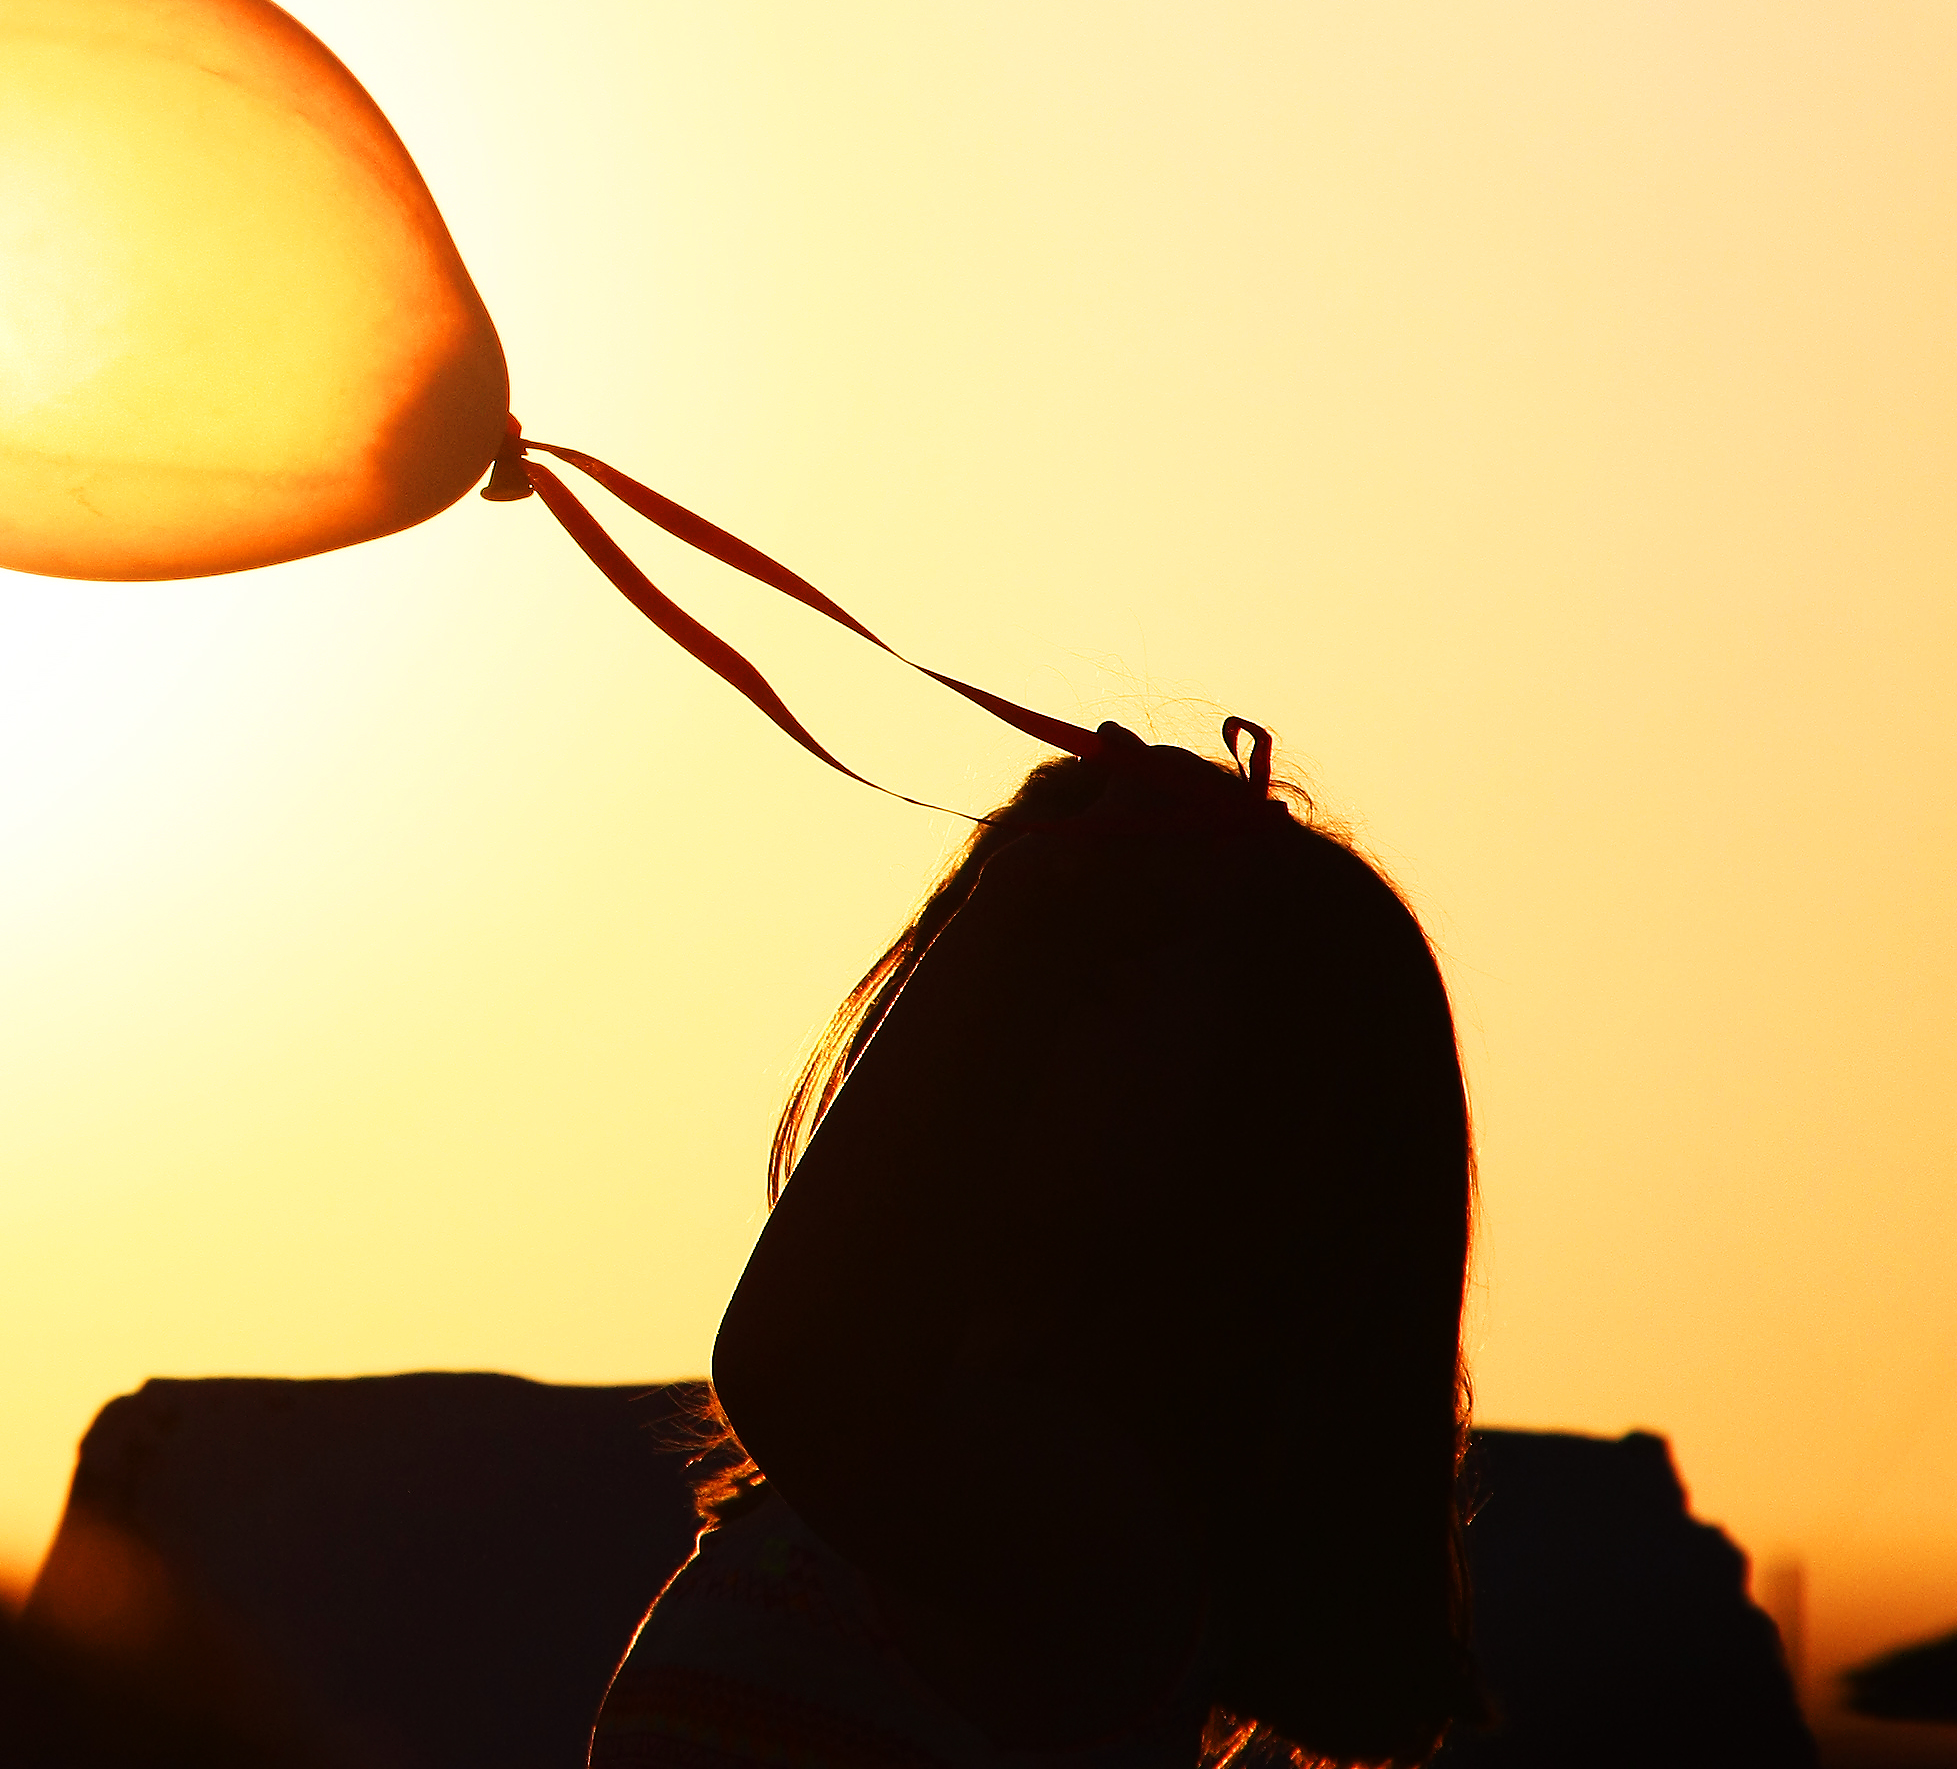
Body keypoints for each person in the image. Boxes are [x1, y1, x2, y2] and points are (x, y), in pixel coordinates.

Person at [590, 726, 1488, 1769]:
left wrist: (1029, 901)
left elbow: (789, 1368)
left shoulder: (1100, 1530)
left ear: (1247, 1139)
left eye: (1064, 985)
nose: (977, 1035)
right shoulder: (901, 1480)